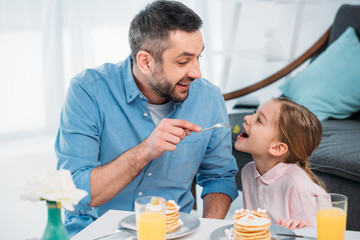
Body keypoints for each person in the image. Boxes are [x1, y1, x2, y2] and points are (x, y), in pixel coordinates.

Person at [55, 0, 238, 237]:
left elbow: (220, 177)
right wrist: (145, 151)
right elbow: (73, 193)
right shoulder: (88, 91)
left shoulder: (209, 98)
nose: (196, 73)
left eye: (198, 58)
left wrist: (204, 231)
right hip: (97, 232)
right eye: (183, 61)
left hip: (174, 233)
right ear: (145, 62)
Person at [234, 97, 329, 230]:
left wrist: (301, 229)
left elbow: (322, 233)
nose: (247, 118)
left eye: (259, 120)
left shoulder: (299, 187)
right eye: (255, 112)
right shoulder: (248, 172)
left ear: (277, 148)